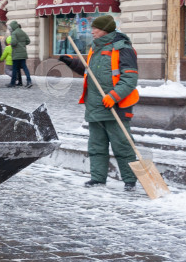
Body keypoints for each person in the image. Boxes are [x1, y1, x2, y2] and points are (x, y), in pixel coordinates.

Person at [58, 14, 139, 191]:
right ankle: (97, 178)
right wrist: (72, 63)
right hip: (95, 105)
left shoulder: (123, 48)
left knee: (123, 145)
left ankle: (130, 180)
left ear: (106, 30)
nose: (92, 31)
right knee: (96, 145)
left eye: (96, 28)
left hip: (117, 106)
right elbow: (90, 73)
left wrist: (114, 96)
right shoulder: (95, 48)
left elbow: (130, 78)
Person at [8, 20, 32, 88]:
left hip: (16, 54)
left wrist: (12, 44)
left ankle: (13, 83)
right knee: (24, 67)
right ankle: (28, 81)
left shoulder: (14, 33)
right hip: (23, 53)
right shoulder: (23, 32)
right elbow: (28, 41)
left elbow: (13, 42)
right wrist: (23, 44)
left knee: (15, 68)